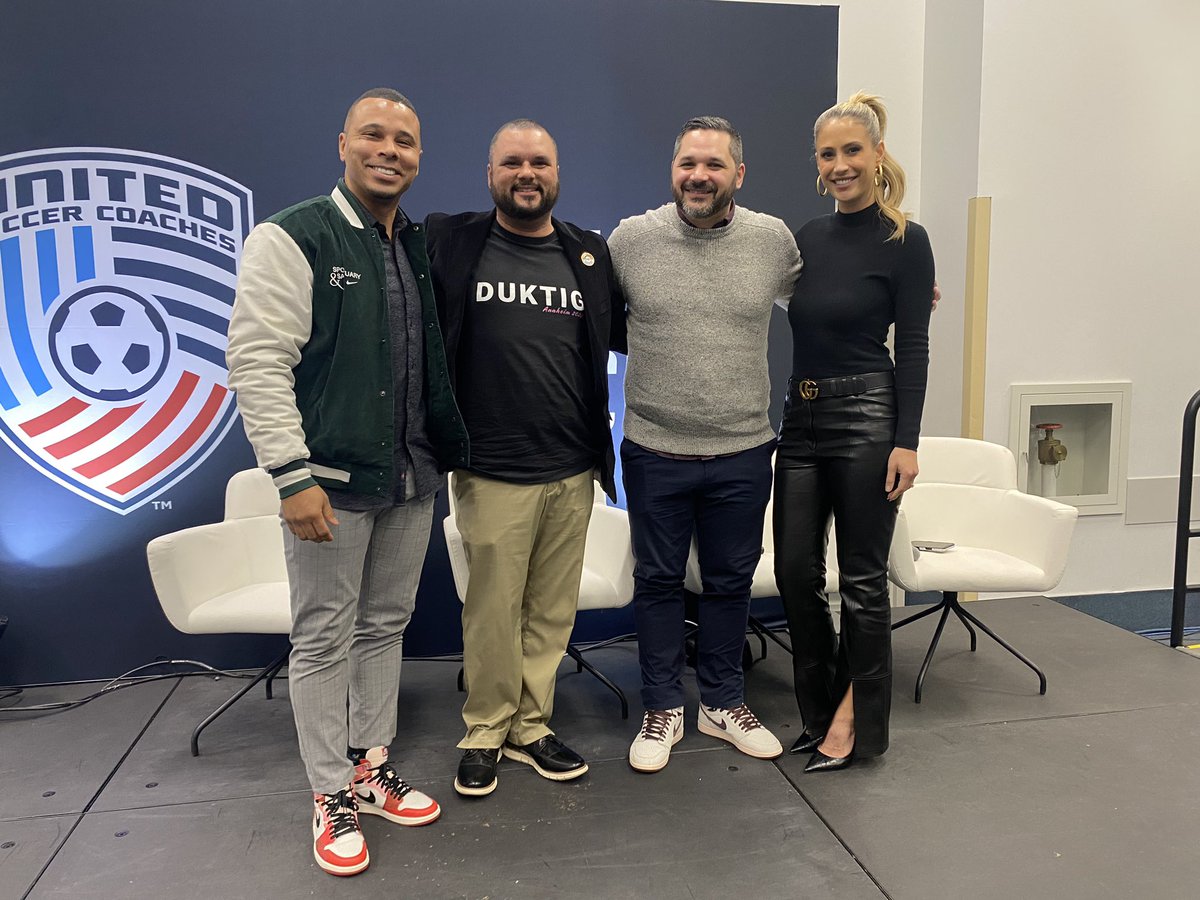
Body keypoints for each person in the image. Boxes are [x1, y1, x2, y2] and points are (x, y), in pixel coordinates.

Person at [226, 88, 468, 876]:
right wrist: (291, 478)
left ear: (419, 156)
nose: (389, 149)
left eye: (404, 139)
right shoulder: (294, 235)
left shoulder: (416, 246)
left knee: (383, 627)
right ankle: (329, 792)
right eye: (374, 135)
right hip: (329, 484)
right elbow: (258, 362)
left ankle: (370, 769)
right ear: (343, 144)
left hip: (411, 478)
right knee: (324, 636)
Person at [425, 120, 623, 797]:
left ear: (557, 174)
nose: (526, 172)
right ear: (491, 174)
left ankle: (531, 727)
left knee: (550, 612)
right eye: (512, 162)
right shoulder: (450, 242)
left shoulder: (588, 254)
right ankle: (484, 729)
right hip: (490, 468)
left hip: (571, 468)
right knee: (491, 610)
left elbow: (641, 323)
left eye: (540, 161)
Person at [607, 117, 801, 773]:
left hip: (744, 449)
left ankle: (722, 702)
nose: (700, 175)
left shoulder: (771, 241)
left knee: (728, 583)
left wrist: (899, 294)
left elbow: (825, 303)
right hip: (654, 446)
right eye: (689, 162)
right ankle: (663, 706)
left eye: (714, 165)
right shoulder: (631, 241)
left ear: (738, 175)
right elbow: (586, 324)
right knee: (659, 582)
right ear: (673, 170)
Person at [774, 91, 935, 773]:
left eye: (851, 151)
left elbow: (917, 347)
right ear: (818, 163)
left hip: (869, 416)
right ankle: (818, 712)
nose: (840, 164)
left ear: (876, 155)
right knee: (795, 573)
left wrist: (908, 440)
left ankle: (854, 722)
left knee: (863, 581)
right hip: (801, 419)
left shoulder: (906, 239)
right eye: (828, 154)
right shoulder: (806, 239)